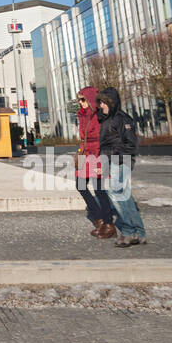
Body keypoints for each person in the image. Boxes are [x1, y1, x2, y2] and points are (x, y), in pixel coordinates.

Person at [96, 87, 147, 248]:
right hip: (113, 160)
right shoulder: (107, 119)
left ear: (111, 102)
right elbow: (106, 144)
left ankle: (128, 231)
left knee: (115, 192)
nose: (101, 105)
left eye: (103, 102)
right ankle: (139, 232)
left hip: (120, 160)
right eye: (100, 102)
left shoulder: (121, 119)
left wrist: (111, 157)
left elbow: (130, 144)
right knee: (125, 195)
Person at [74, 87, 115, 240]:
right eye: (79, 99)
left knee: (99, 189)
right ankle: (99, 219)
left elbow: (105, 139)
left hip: (97, 152)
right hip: (85, 152)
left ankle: (109, 224)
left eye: (83, 99)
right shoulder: (81, 115)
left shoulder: (99, 116)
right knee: (80, 185)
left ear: (90, 99)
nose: (80, 102)